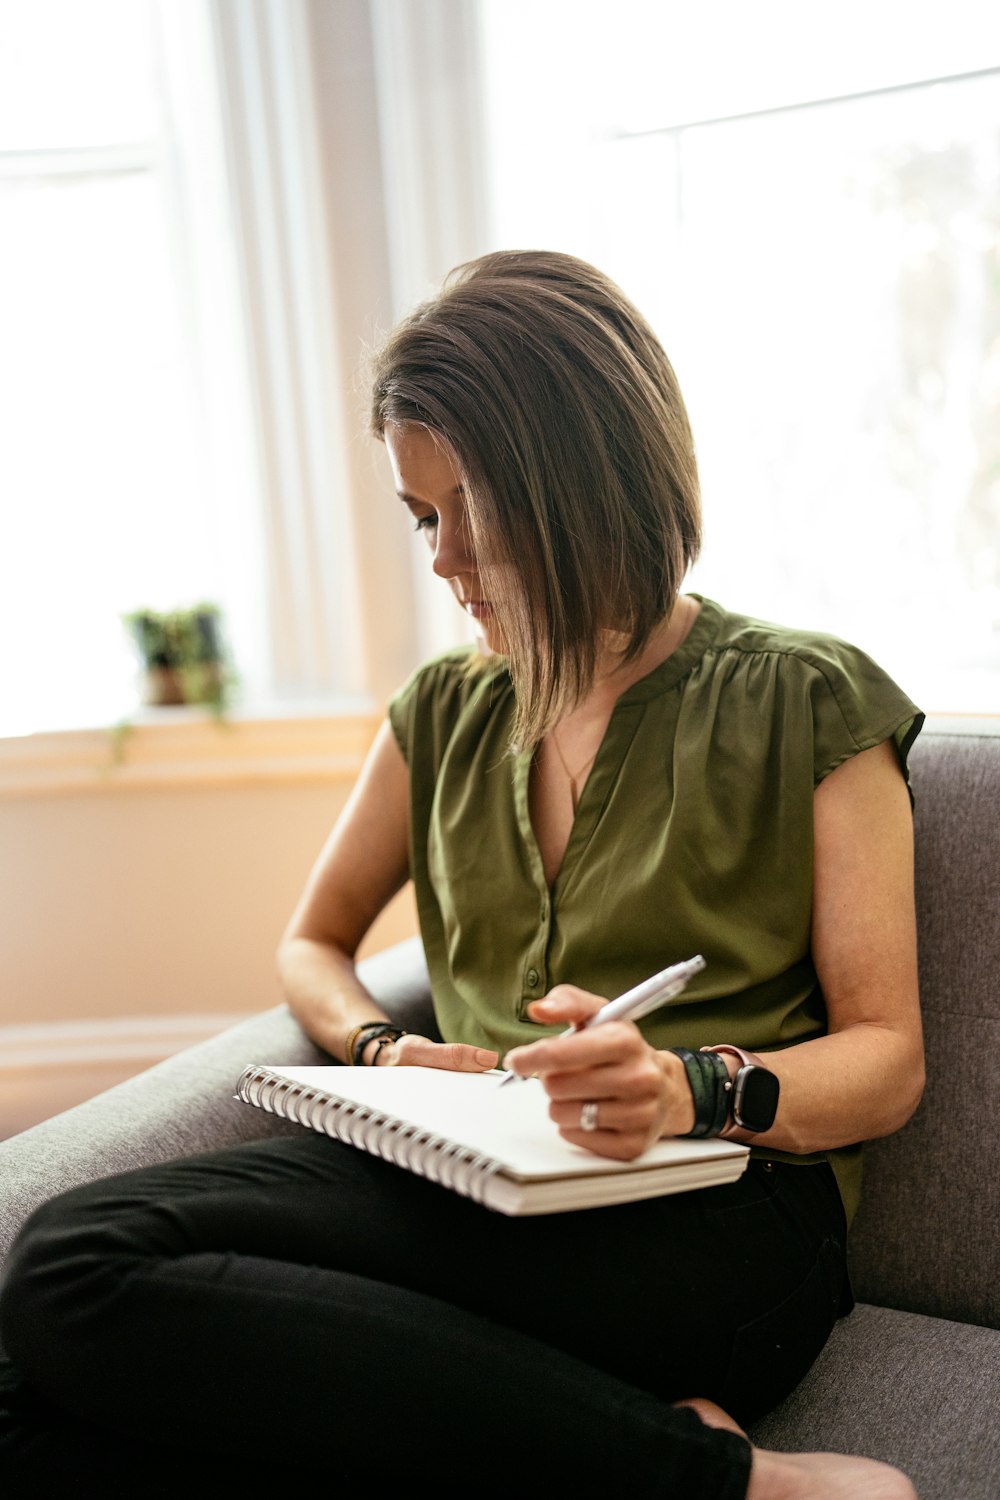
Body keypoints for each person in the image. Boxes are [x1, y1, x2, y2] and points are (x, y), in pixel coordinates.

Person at [0, 250, 923, 1498]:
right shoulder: (442, 710)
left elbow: (886, 1060)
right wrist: (383, 1052)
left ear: (580, 475)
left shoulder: (806, 698)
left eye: (464, 507)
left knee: (104, 1332)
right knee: (59, 1284)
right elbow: (311, 946)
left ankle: (746, 1487)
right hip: (474, 1173)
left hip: (722, 1213)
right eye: (419, 516)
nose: (439, 559)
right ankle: (653, 1453)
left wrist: (681, 1087)